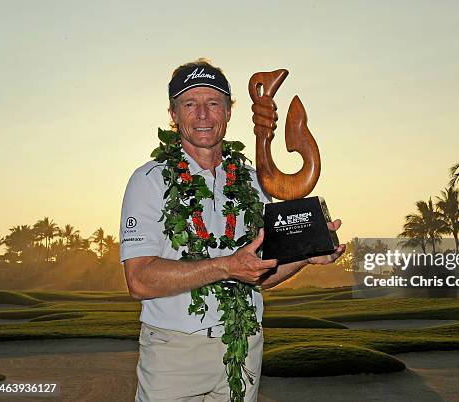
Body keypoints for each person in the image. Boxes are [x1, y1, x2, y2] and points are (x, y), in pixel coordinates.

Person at [119, 58, 345, 402]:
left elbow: (259, 274)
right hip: (175, 355)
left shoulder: (253, 182)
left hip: (243, 349)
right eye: (189, 104)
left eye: (213, 103)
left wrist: (306, 256)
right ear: (173, 114)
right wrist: (225, 265)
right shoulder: (148, 181)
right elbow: (139, 280)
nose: (203, 115)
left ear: (228, 111)